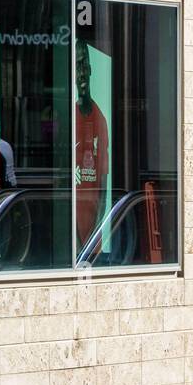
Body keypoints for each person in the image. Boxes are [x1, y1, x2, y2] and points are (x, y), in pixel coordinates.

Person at [75, 38, 109, 250]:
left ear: (90, 69)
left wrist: (92, 239)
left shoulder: (100, 120)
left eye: (84, 65)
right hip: (70, 237)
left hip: (92, 236)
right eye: (77, 66)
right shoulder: (68, 117)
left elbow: (104, 189)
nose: (82, 72)